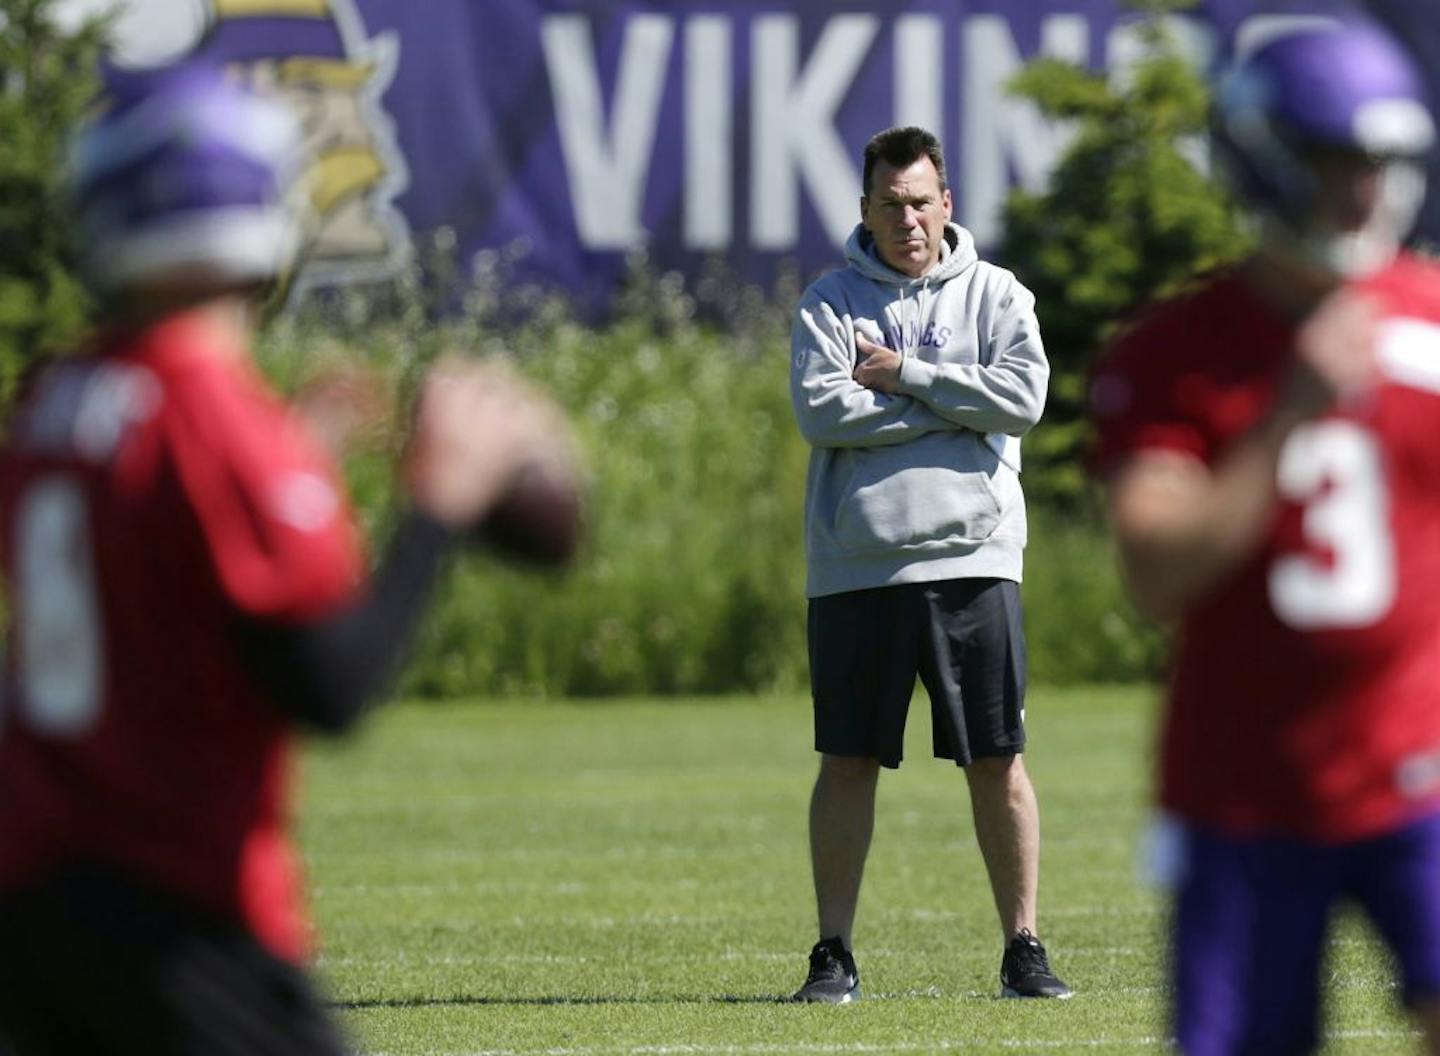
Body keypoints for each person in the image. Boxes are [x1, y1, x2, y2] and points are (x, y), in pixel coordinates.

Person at [0, 65, 576, 1055]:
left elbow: (149, 588)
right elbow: (327, 684)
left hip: (36, 891)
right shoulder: (211, 414)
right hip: (175, 915)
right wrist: (435, 507)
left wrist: (285, 453)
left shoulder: (61, 396)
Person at [1089, 19, 1440, 1055]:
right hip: (1244, 789)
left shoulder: (1427, 323)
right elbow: (1156, 569)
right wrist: (1287, 411)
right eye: (1337, 161)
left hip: (1415, 765)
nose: (1363, 189)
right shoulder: (1178, 352)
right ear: (1270, 159)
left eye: (1377, 162)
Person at [787, 125, 1068, 1003]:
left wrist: (903, 374)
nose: (907, 219)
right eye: (889, 204)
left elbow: (1021, 399)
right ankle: (833, 951)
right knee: (846, 760)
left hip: (975, 561)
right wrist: (955, 402)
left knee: (997, 758)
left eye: (921, 201)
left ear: (948, 203)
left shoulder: (998, 294)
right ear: (864, 210)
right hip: (858, 565)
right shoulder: (829, 302)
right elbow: (823, 412)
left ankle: (1023, 946)